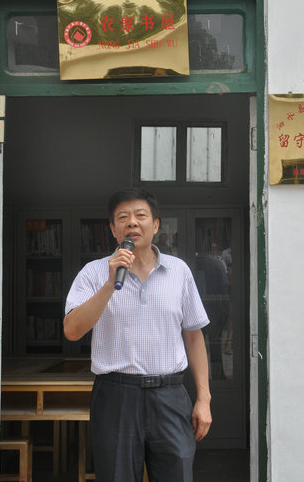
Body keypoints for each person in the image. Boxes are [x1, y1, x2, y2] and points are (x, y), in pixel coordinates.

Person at [63, 188, 211, 482]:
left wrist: (204, 398)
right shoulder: (93, 273)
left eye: (140, 215)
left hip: (169, 396)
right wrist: (109, 284)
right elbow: (72, 330)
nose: (132, 222)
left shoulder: (179, 271)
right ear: (113, 229)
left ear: (155, 225)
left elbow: (194, 336)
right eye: (123, 217)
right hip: (116, 397)